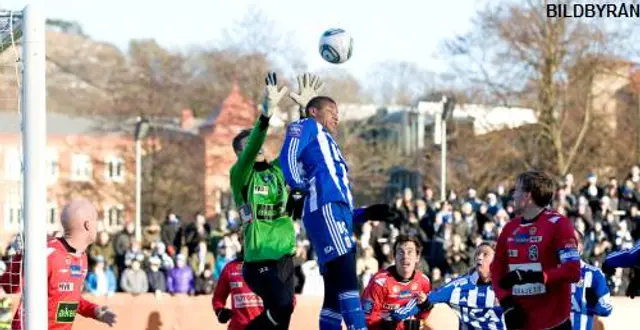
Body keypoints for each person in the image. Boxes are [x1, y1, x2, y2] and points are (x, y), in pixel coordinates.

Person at [279, 93, 401, 330]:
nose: (337, 117)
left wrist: (368, 213)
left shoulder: (327, 140)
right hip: (325, 210)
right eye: (331, 111)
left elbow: (338, 198)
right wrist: (296, 186)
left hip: (335, 213)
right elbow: (288, 155)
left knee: (335, 290)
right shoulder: (307, 125)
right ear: (313, 112)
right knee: (347, 277)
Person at [229, 72, 317, 330]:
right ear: (239, 155)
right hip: (259, 260)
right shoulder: (240, 176)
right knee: (282, 306)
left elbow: (298, 145)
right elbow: (257, 137)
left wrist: (305, 113)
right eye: (248, 147)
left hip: (285, 258)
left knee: (282, 321)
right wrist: (266, 113)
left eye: (257, 145)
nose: (256, 148)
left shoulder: (278, 171)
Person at [0, 199, 117, 329]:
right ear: (88, 225)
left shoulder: (82, 257)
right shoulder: (46, 252)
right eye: (97, 220)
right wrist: (20, 256)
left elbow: (69, 300)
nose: (99, 226)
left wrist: (94, 311)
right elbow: (9, 286)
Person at [491, 170, 581, 330]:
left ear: (528, 196)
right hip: (521, 322)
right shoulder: (509, 228)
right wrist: (507, 303)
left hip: (554, 323)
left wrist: (537, 276)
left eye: (517, 190)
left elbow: (572, 271)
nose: (513, 195)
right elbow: (497, 269)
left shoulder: (559, 224)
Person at [425, 241, 505, 330]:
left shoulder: (509, 286)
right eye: (478, 254)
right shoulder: (461, 284)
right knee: (437, 309)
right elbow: (432, 297)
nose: (479, 257)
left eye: (485, 254)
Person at [360, 235, 432, 330]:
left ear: (417, 257)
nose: (405, 256)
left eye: (410, 252)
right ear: (394, 256)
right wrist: (389, 325)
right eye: (401, 252)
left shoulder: (424, 281)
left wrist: (426, 306)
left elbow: (424, 317)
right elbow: (366, 317)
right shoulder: (379, 282)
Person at [570, 230, 612, 330]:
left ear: (580, 247)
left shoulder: (594, 275)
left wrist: (597, 303)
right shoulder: (549, 274)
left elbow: (606, 309)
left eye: (571, 242)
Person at [212, 251, 264, 330]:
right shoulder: (230, 268)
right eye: (243, 238)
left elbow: (285, 299)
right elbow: (218, 297)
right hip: (237, 327)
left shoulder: (270, 266)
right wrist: (220, 311)